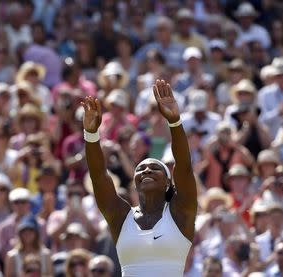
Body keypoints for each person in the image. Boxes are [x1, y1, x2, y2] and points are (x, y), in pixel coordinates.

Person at [81, 79, 197, 276]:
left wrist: (175, 122)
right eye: (141, 169)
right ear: (134, 183)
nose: (146, 171)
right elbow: (99, 176)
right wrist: (91, 134)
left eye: (154, 168)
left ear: (169, 182)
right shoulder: (120, 216)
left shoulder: (181, 212)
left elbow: (184, 167)